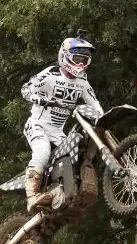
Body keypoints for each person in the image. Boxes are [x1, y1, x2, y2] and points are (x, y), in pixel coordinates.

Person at [20, 35, 104, 213]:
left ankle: (63, 193)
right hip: (37, 124)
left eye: (84, 60)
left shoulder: (82, 81)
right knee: (43, 151)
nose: (80, 63)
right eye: (77, 59)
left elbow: (94, 103)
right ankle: (32, 196)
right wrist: (37, 98)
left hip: (57, 131)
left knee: (73, 157)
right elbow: (26, 88)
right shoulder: (51, 74)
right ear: (65, 56)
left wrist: (102, 117)